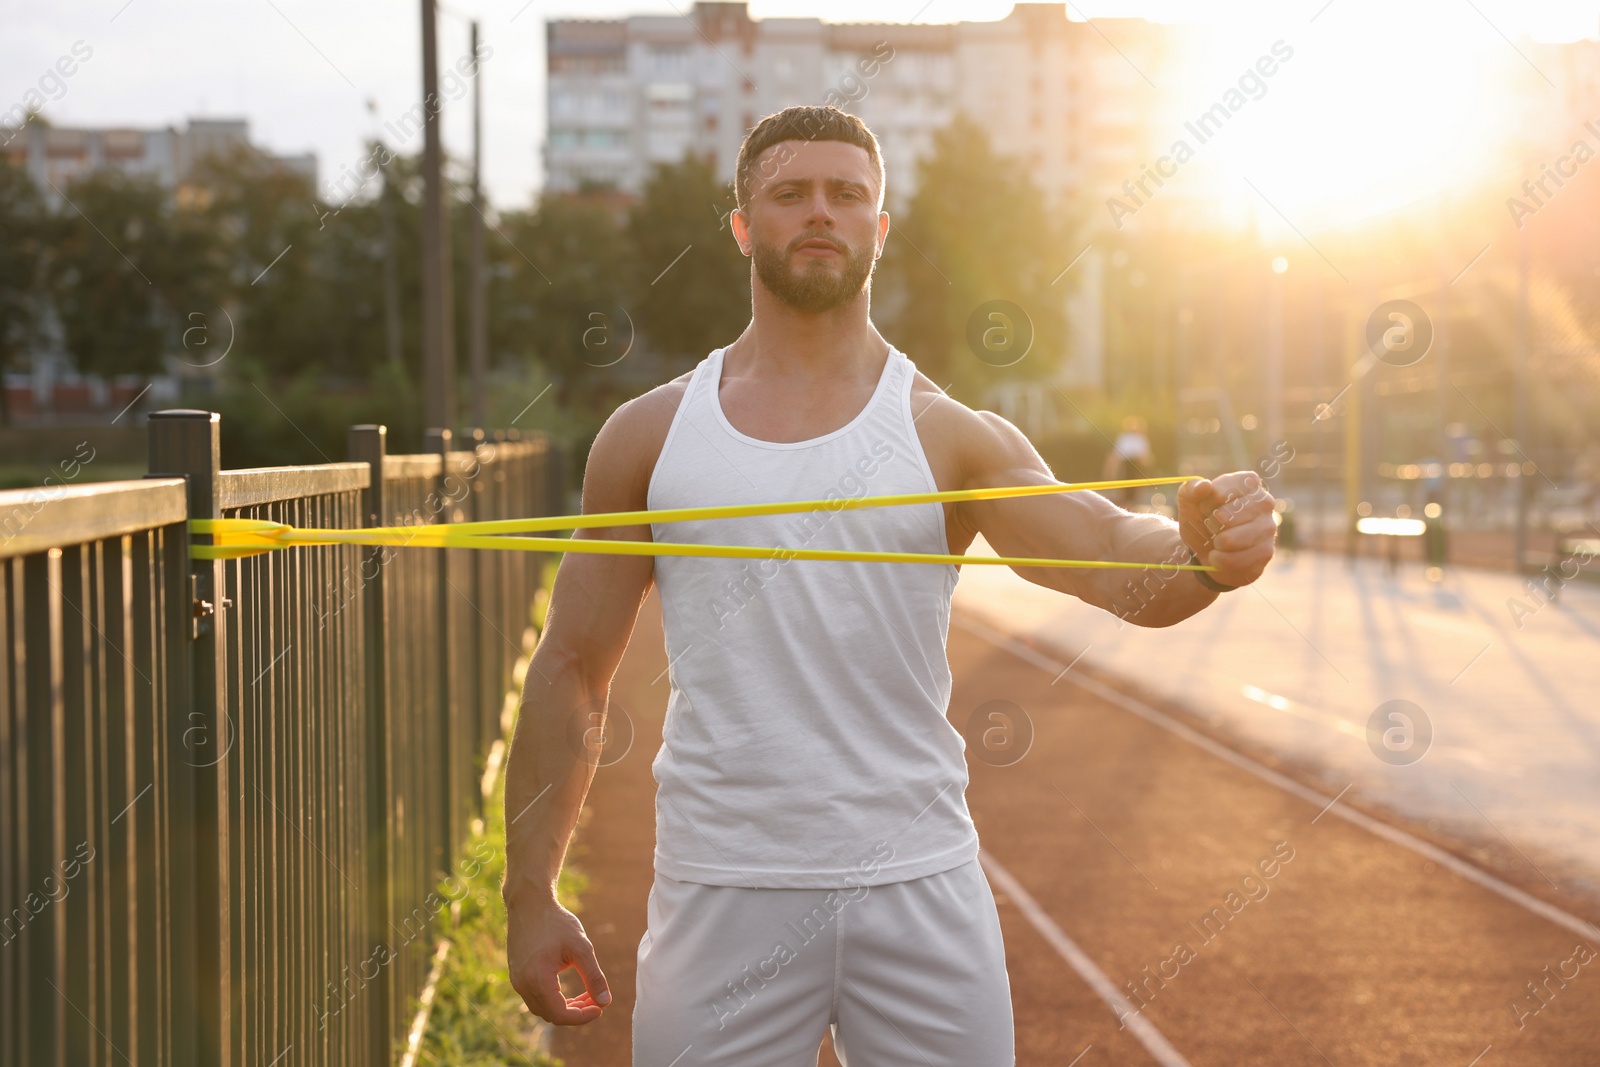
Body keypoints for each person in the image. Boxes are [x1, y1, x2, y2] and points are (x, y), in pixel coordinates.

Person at [502, 105, 1277, 1066]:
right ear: (743, 226)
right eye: (789, 194)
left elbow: (1110, 550)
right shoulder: (650, 435)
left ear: (880, 225)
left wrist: (1204, 553)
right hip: (722, 888)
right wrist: (527, 895)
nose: (819, 213)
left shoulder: (951, 434)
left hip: (918, 886)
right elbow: (572, 668)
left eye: (846, 194)